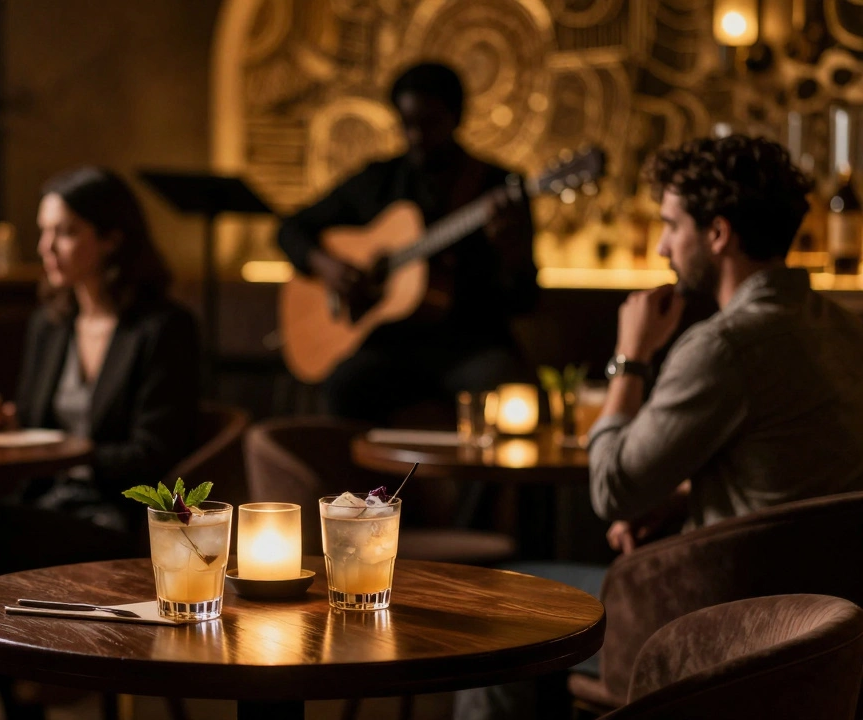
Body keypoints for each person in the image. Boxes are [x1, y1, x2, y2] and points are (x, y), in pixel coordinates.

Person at [456, 134, 863, 719]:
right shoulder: (841, 327)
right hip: (823, 624)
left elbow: (612, 490)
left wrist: (632, 357)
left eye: (671, 224)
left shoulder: (724, 345)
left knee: (495, 605)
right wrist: (681, 499)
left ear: (718, 234)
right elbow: (795, 475)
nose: (663, 245)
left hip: (722, 618)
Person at [0, 166, 200, 717]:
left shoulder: (163, 327)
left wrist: (68, 454)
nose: (46, 247)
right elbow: (37, 426)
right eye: (44, 231)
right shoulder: (50, 323)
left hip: (116, 521)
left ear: (113, 237)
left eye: (65, 232)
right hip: (47, 506)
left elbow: (154, 455)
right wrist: (6, 426)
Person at [277, 62, 538, 424]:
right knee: (343, 386)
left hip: (469, 344)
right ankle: (367, 485)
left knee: (511, 394)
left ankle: (484, 482)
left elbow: (526, 301)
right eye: (407, 124)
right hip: (390, 349)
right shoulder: (377, 180)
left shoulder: (497, 187)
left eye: (428, 123)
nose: (416, 136)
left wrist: (513, 253)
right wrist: (328, 266)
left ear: (455, 117)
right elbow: (290, 229)